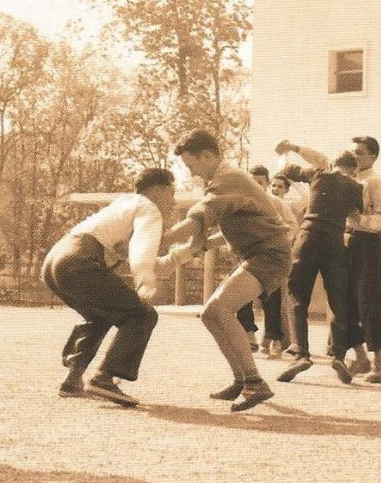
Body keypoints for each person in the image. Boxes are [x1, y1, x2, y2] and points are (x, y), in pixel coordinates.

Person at [169, 130, 292, 412]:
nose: (192, 173)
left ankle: (255, 382)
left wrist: (164, 239)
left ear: (208, 156)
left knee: (219, 309)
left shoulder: (227, 179)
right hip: (261, 253)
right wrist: (193, 248)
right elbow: (218, 230)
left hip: (269, 255)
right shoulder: (226, 180)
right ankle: (241, 380)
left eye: (192, 165)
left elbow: (197, 220)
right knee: (212, 314)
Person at [41, 167, 185, 406]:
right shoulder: (149, 207)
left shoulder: (123, 204)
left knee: (101, 315)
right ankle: (104, 377)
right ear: (157, 190)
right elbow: (142, 249)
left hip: (54, 262)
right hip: (79, 261)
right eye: (172, 193)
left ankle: (73, 379)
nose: (173, 201)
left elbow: (136, 250)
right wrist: (144, 281)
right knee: (143, 315)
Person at [274, 140, 365, 384]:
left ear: (334, 164)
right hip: (335, 243)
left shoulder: (318, 175)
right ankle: (338, 355)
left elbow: (285, 170)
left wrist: (284, 152)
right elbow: (358, 217)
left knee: (297, 297)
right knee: (338, 301)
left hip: (307, 239)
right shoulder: (356, 188)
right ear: (353, 169)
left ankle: (300, 352)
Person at [344, 135, 381, 383]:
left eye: (360, 152)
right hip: (347, 243)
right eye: (352, 152)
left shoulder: (374, 182)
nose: (355, 157)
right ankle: (360, 357)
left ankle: (380, 366)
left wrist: (359, 219)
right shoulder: (345, 179)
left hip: (369, 244)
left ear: (372, 156)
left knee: (371, 302)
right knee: (344, 302)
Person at [247, 165, 298, 358]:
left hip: (272, 257)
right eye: (252, 181)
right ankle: (249, 336)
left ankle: (274, 340)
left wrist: (278, 243)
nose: (255, 186)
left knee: (273, 299)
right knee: (240, 299)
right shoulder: (245, 203)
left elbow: (293, 227)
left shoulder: (276, 203)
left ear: (267, 183)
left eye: (260, 182)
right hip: (251, 256)